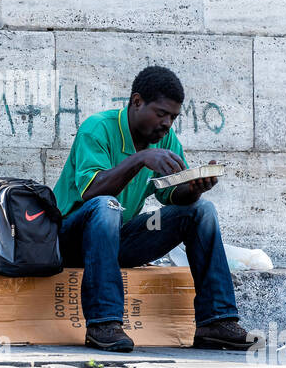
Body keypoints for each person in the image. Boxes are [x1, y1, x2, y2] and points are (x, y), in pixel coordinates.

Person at [50, 66, 259, 352]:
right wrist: (140, 159)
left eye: (173, 117)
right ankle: (103, 323)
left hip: (118, 239)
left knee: (202, 211)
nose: (167, 124)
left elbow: (173, 195)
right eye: (161, 114)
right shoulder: (97, 128)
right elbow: (92, 191)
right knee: (105, 205)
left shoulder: (165, 140)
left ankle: (215, 322)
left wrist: (194, 187)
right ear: (137, 102)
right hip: (70, 240)